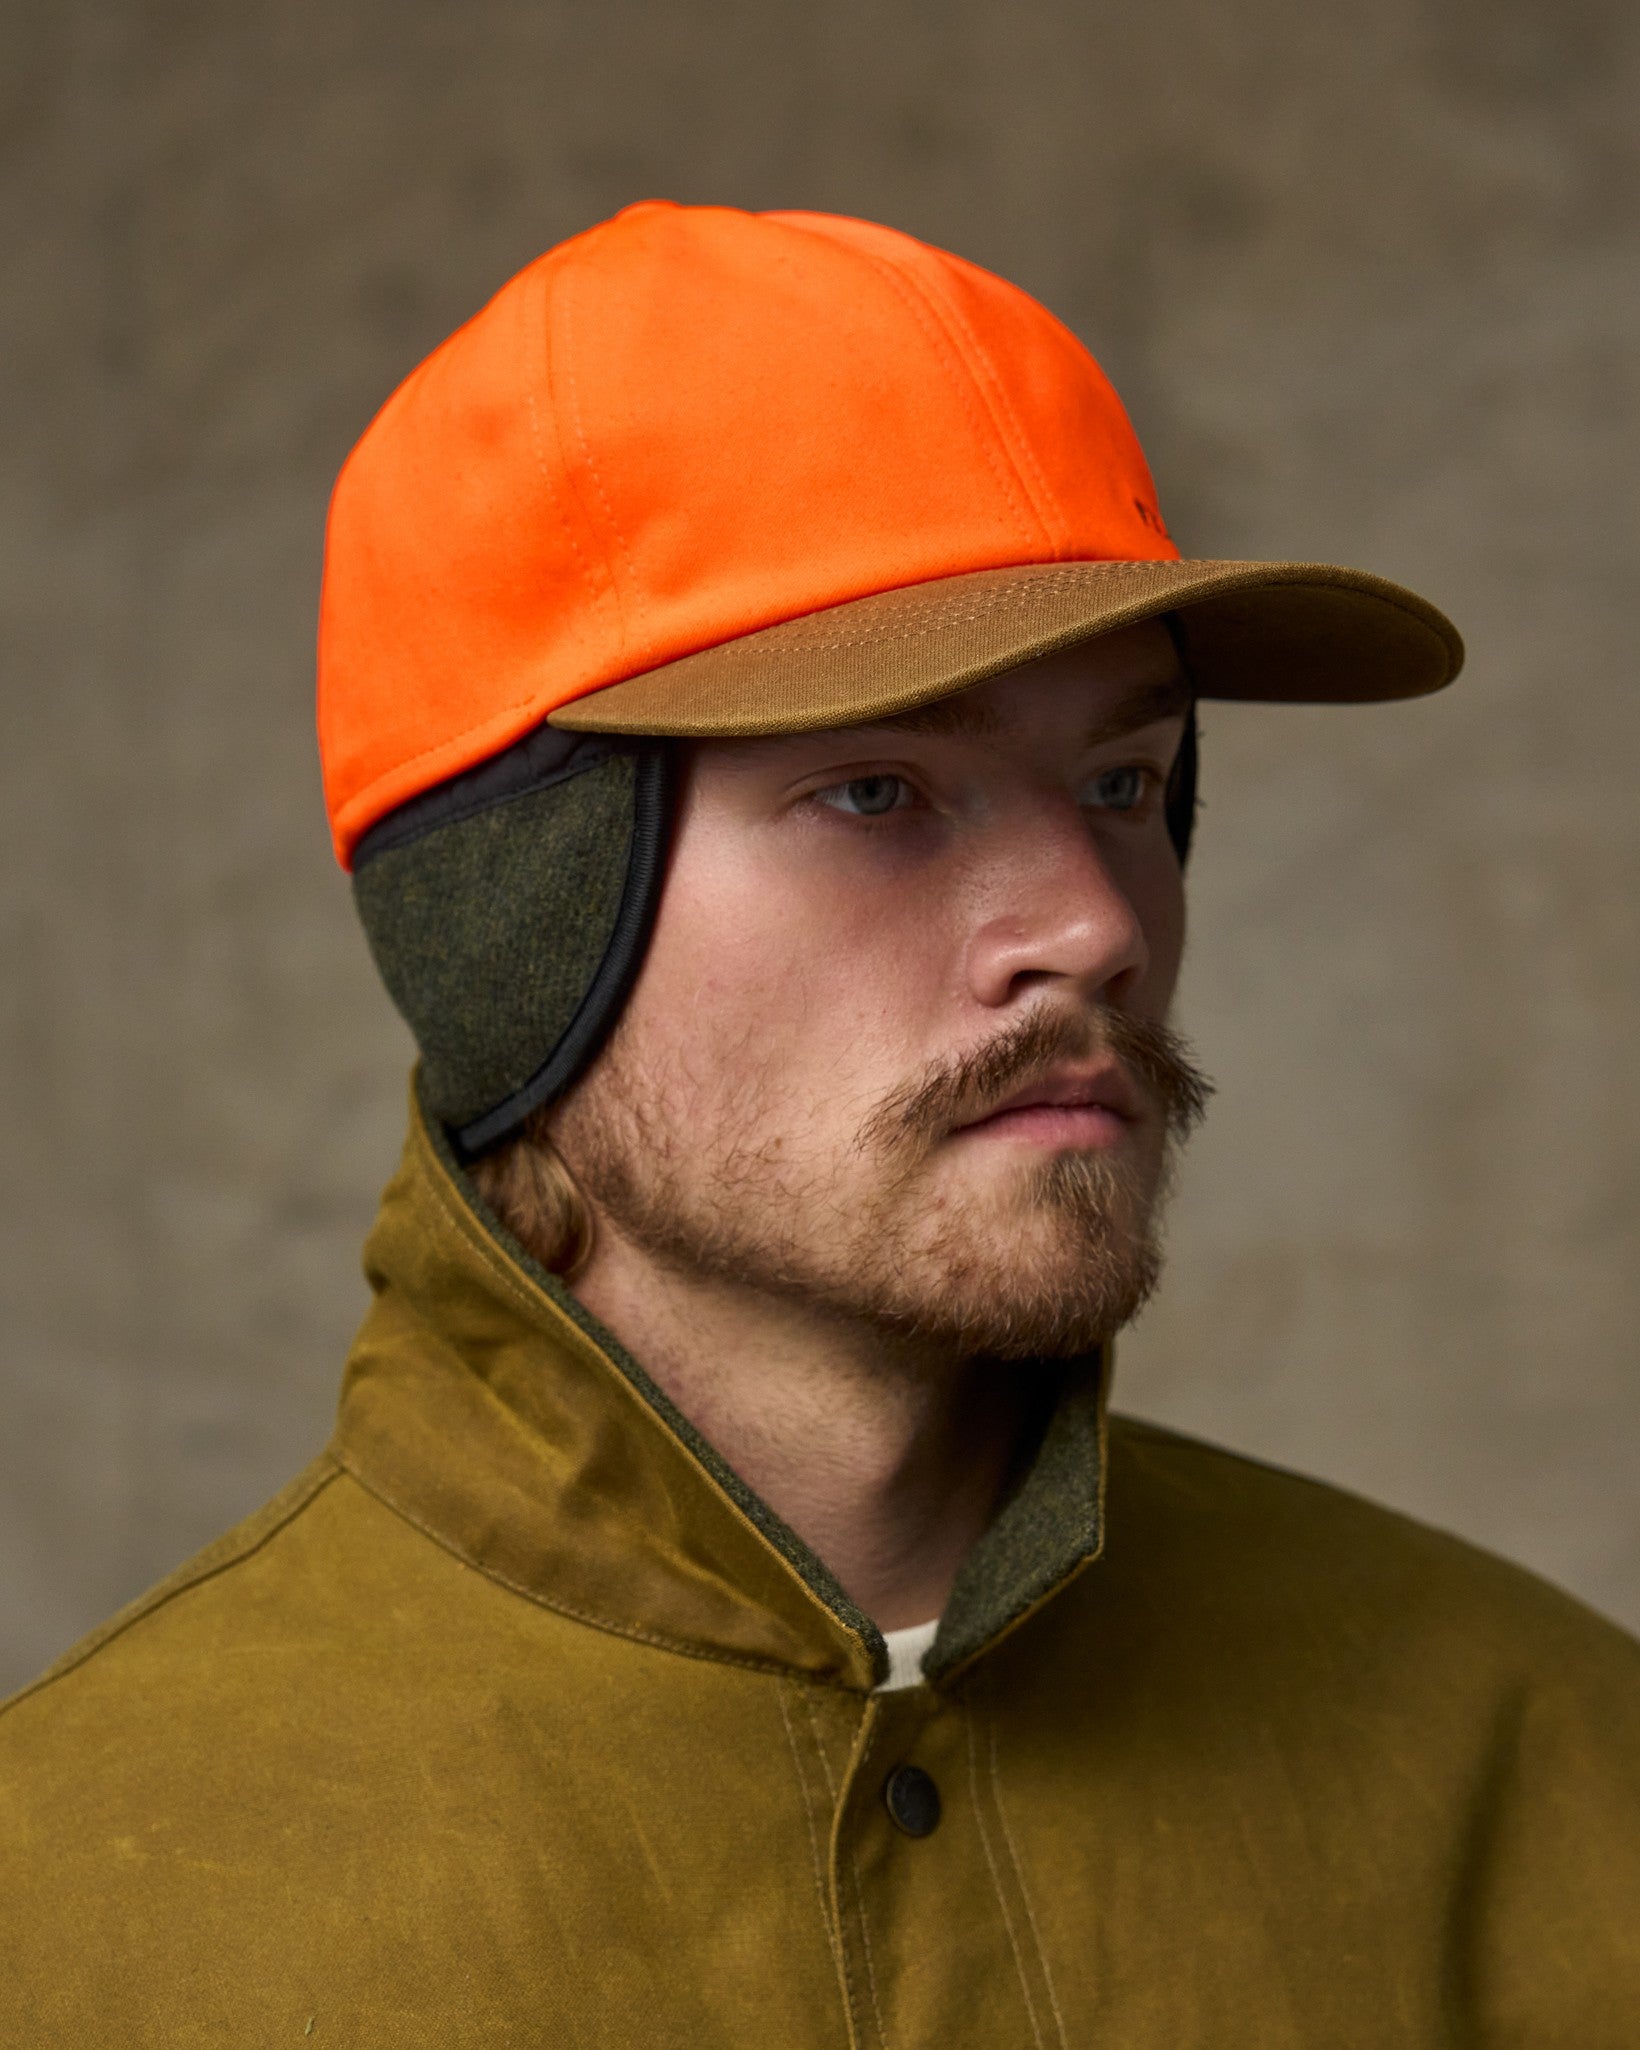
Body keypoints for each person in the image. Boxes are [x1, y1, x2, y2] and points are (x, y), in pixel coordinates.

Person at [3, 201, 1637, 2047]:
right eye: (878, 790)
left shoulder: (1558, 1781)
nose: (1093, 923)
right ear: (521, 923)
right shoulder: (75, 1920)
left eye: (1125, 779)